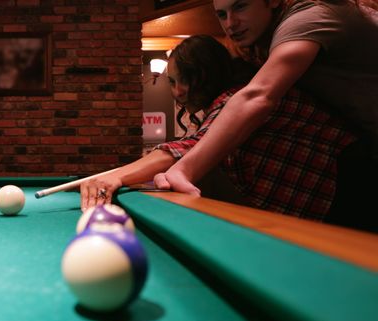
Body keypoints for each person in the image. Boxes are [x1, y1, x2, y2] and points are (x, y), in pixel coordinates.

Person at [80, 35, 359, 227]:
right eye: (172, 82)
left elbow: (188, 148)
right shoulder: (230, 96)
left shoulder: (235, 96)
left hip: (354, 191)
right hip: (329, 197)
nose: (178, 93)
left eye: (185, 81)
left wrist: (111, 178)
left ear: (207, 73)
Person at [153, 0, 377, 230]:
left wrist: (183, 169)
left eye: (241, 6)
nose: (230, 23)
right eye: (221, 14)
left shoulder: (307, 19)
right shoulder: (266, 43)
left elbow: (258, 96)